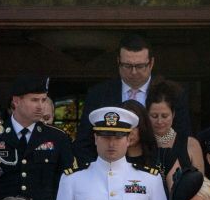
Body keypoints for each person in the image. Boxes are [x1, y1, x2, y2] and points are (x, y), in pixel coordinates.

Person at [73, 34, 194, 163]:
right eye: (127, 66)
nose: (134, 72)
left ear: (151, 63)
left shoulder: (173, 94)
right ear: (118, 61)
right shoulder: (98, 94)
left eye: (140, 66)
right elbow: (83, 143)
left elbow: (183, 139)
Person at [140, 82, 203, 187]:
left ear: (173, 114)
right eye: (154, 116)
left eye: (164, 116)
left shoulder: (191, 144)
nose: (159, 121)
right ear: (147, 115)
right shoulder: (141, 143)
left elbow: (201, 186)